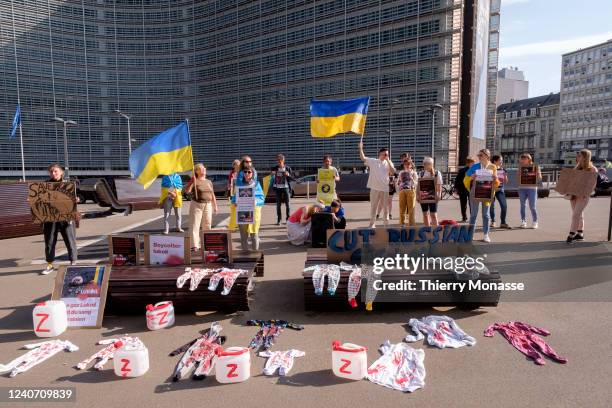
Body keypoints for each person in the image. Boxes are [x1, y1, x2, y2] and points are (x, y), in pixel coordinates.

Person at [41, 164, 78, 275]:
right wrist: (33, 201)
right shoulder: (44, 185)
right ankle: (50, 264)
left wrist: (77, 198)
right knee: (50, 242)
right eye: (51, 172)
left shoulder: (68, 184)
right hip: (50, 218)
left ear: (61, 172)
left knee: (70, 239)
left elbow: (77, 197)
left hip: (66, 217)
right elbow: (40, 201)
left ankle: (73, 262)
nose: (53, 174)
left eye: (56, 171)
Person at [464, 149, 500, 242]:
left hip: (487, 192)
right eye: (478, 155)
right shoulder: (475, 166)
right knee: (473, 215)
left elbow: (496, 183)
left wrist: (495, 179)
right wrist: (471, 177)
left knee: (486, 214)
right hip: (475, 192)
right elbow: (466, 178)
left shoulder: (493, 167)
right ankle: (470, 234)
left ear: (487, 156)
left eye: (481, 155)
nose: (479, 157)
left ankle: (486, 234)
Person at [358, 141, 395, 228]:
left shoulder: (389, 163)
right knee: (373, 207)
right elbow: (363, 158)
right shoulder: (373, 161)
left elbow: (393, 172)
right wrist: (360, 148)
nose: (386, 155)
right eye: (385, 154)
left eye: (387, 154)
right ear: (380, 154)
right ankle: (372, 223)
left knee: (385, 207)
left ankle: (386, 224)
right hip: (374, 188)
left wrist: (388, 160)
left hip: (385, 189)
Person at [566, 149, 598, 243]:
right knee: (578, 215)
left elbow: (592, 184)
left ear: (585, 157)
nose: (577, 157)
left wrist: (586, 193)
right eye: (578, 155)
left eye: (579, 155)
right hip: (573, 195)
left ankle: (571, 234)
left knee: (576, 215)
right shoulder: (576, 167)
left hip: (583, 195)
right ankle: (580, 234)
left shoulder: (592, 169)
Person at [184, 164, 218, 251]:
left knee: (207, 225)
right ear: (196, 171)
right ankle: (195, 245)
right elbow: (187, 191)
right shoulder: (195, 181)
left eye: (204, 168)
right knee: (195, 225)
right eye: (201, 169)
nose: (203, 170)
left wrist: (215, 205)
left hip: (208, 205)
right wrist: (191, 183)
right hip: (197, 204)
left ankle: (207, 243)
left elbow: (212, 194)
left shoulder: (209, 182)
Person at [232, 165, 265, 250]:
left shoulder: (256, 184)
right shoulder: (239, 184)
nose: (247, 173)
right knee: (243, 236)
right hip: (242, 212)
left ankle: (255, 255)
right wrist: (235, 202)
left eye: (249, 172)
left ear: (252, 174)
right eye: (245, 172)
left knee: (254, 235)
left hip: (254, 212)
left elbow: (261, 198)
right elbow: (234, 197)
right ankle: (245, 255)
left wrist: (256, 201)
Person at [517, 153, 542, 229]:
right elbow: (518, 178)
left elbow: (540, 178)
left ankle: (535, 221)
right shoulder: (521, 167)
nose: (523, 160)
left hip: (532, 188)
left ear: (529, 159)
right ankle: (523, 221)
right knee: (522, 205)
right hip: (522, 188)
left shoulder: (535, 166)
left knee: (532, 206)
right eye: (522, 158)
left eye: (524, 158)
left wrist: (537, 174)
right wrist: (519, 174)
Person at [269, 154, 295, 225]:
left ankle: (288, 219)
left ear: (283, 160)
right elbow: (270, 177)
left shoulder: (288, 168)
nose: (279, 162)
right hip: (277, 188)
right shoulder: (274, 168)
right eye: (278, 160)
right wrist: (272, 174)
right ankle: (279, 219)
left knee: (288, 204)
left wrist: (288, 175)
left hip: (286, 188)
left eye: (280, 160)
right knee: (278, 205)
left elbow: (293, 178)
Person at [417, 156, 443, 227]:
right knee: (425, 214)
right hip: (424, 196)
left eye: (428, 163)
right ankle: (427, 231)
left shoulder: (437, 173)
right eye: (425, 163)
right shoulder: (421, 173)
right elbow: (418, 186)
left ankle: (436, 232)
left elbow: (439, 185)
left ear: (431, 164)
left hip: (433, 197)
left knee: (433, 214)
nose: (426, 165)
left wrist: (439, 194)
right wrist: (417, 196)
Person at [396, 154, 418, 226]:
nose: (407, 165)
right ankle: (402, 223)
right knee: (402, 208)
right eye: (405, 164)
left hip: (411, 190)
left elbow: (416, 183)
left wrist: (412, 179)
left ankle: (411, 223)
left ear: (411, 165)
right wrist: (398, 183)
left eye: (408, 164)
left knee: (411, 209)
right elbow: (398, 182)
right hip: (402, 191)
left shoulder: (414, 173)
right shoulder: (401, 172)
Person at [490, 155, 511, 229]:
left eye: (502, 160)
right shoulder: (490, 168)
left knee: (504, 206)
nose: (501, 161)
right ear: (495, 161)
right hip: (491, 190)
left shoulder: (503, 169)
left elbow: (505, 181)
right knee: (491, 206)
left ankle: (503, 222)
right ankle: (493, 221)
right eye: (500, 160)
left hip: (500, 190)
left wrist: (505, 176)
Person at [454, 157, 475, 222]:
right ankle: (469, 217)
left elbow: (457, 180)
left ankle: (465, 217)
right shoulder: (471, 171)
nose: (474, 164)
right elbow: (457, 180)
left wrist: (456, 188)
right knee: (469, 204)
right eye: (473, 163)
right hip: (467, 189)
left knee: (465, 204)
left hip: (464, 189)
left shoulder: (462, 170)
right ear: (469, 163)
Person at [228, 159, 242, 231]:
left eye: (237, 164)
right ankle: (234, 224)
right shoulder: (232, 173)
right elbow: (230, 181)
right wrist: (229, 186)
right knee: (233, 208)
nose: (236, 166)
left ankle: (239, 223)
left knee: (240, 208)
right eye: (235, 165)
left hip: (241, 193)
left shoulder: (242, 172)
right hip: (234, 192)